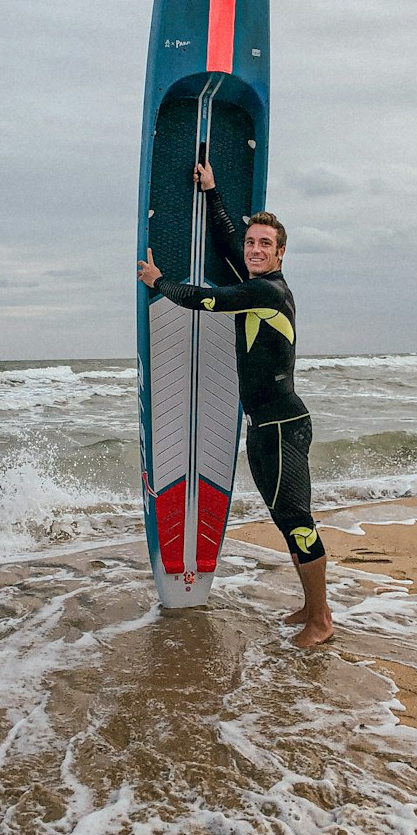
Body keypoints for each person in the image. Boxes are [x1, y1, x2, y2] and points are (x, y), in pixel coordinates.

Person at [137, 160, 333, 648]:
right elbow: (227, 245)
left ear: (281, 253)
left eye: (265, 244)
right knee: (284, 518)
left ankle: (323, 620)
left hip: (284, 425)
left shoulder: (267, 291)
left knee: (297, 520)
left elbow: (205, 300)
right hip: (266, 424)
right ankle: (310, 608)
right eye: (253, 242)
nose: (254, 249)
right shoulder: (255, 279)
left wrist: (159, 282)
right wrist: (212, 191)